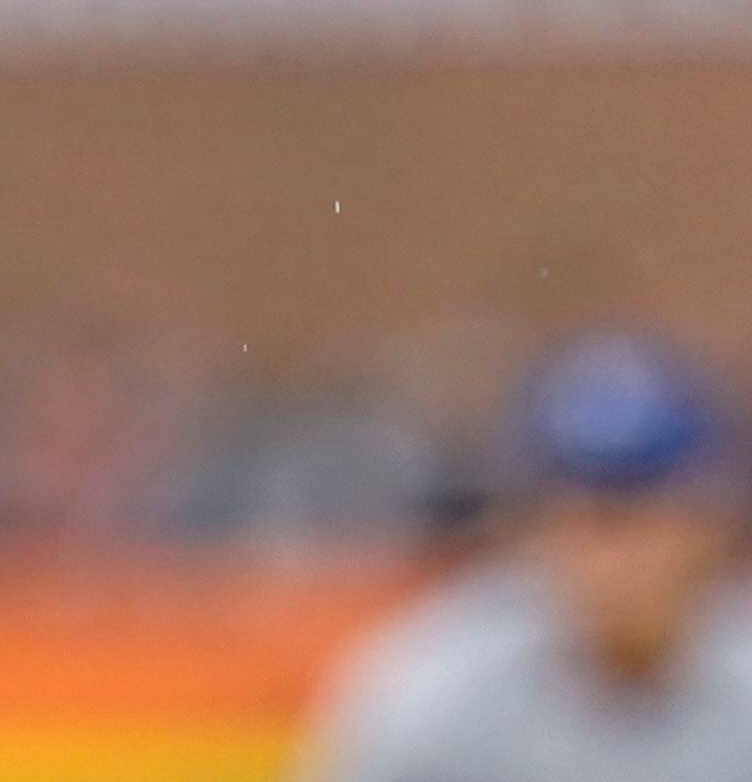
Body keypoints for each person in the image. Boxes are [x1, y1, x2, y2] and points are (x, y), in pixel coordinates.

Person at [300, 331, 752, 782]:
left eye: (638, 521)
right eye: (586, 522)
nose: (615, 561)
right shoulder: (432, 693)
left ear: (709, 527)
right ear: (527, 533)